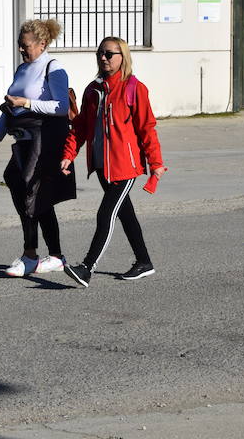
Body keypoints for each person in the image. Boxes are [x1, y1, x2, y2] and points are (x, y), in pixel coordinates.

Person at [60, 36, 166, 287]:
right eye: (101, 54)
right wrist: (68, 154)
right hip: (101, 166)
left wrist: (156, 162)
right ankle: (144, 262)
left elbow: (147, 128)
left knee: (106, 213)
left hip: (125, 167)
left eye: (110, 54)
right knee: (125, 214)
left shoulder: (133, 88)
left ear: (123, 57)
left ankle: (87, 268)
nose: (104, 58)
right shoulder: (92, 89)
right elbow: (80, 128)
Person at [0, 19, 77, 277]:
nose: (22, 50)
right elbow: (10, 108)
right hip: (22, 140)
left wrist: (28, 102)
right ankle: (44, 254)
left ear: (42, 44)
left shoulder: (53, 68)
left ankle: (39, 254)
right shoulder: (22, 69)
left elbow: (61, 107)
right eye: (20, 46)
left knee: (34, 195)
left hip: (43, 140)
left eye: (26, 45)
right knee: (23, 190)